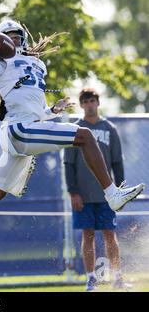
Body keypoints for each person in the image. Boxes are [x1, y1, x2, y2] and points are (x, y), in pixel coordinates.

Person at [0, 8, 144, 260]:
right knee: (84, 135)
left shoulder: (37, 64)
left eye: (17, 36)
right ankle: (112, 194)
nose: (14, 41)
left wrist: (52, 110)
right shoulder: (0, 64)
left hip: (23, 128)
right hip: (18, 131)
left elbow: (32, 108)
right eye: (8, 37)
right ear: (0, 42)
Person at [64, 88, 132, 291]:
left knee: (110, 234)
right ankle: (91, 279)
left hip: (107, 195)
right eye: (85, 101)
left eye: (92, 100)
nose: (89, 104)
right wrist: (73, 191)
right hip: (83, 196)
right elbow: (69, 163)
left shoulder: (110, 128)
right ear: (81, 105)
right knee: (88, 235)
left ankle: (117, 278)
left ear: (98, 103)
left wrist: (121, 190)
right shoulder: (75, 129)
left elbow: (117, 162)